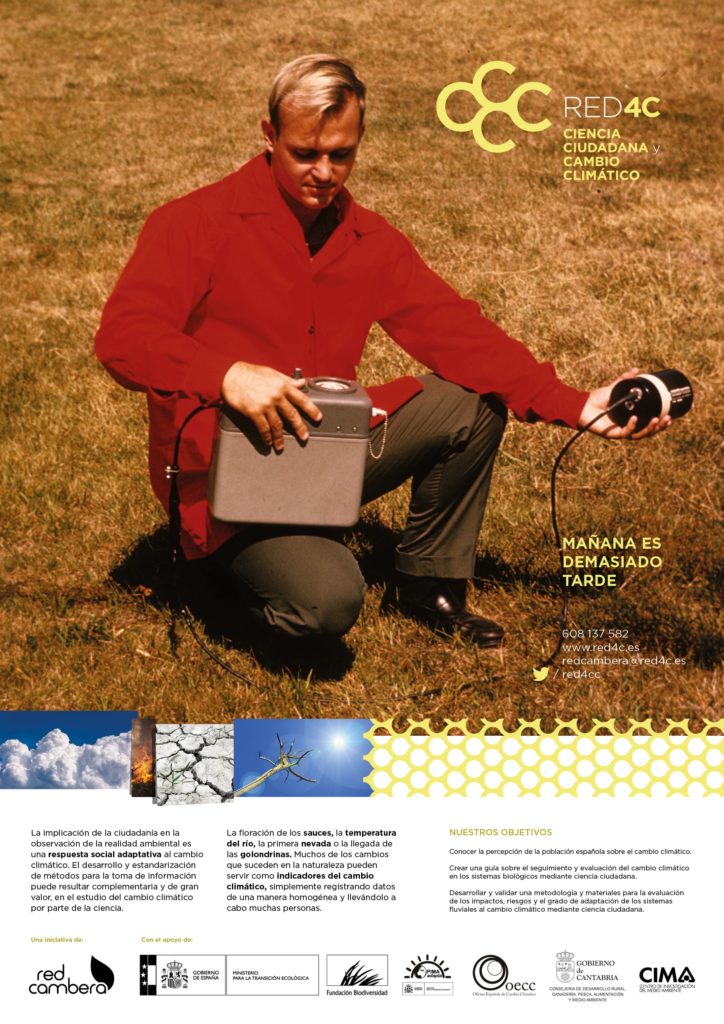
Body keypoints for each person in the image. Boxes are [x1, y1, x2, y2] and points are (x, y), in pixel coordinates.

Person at [95, 54, 670, 648]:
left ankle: (426, 586)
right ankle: (210, 582)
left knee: (469, 405)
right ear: (269, 136)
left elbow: (456, 331)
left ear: (360, 139)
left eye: (341, 154)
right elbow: (122, 337)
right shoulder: (194, 222)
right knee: (325, 604)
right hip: (226, 481)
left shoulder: (369, 239)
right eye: (304, 153)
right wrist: (226, 374)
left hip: (322, 448)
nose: (324, 173)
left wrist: (575, 404)